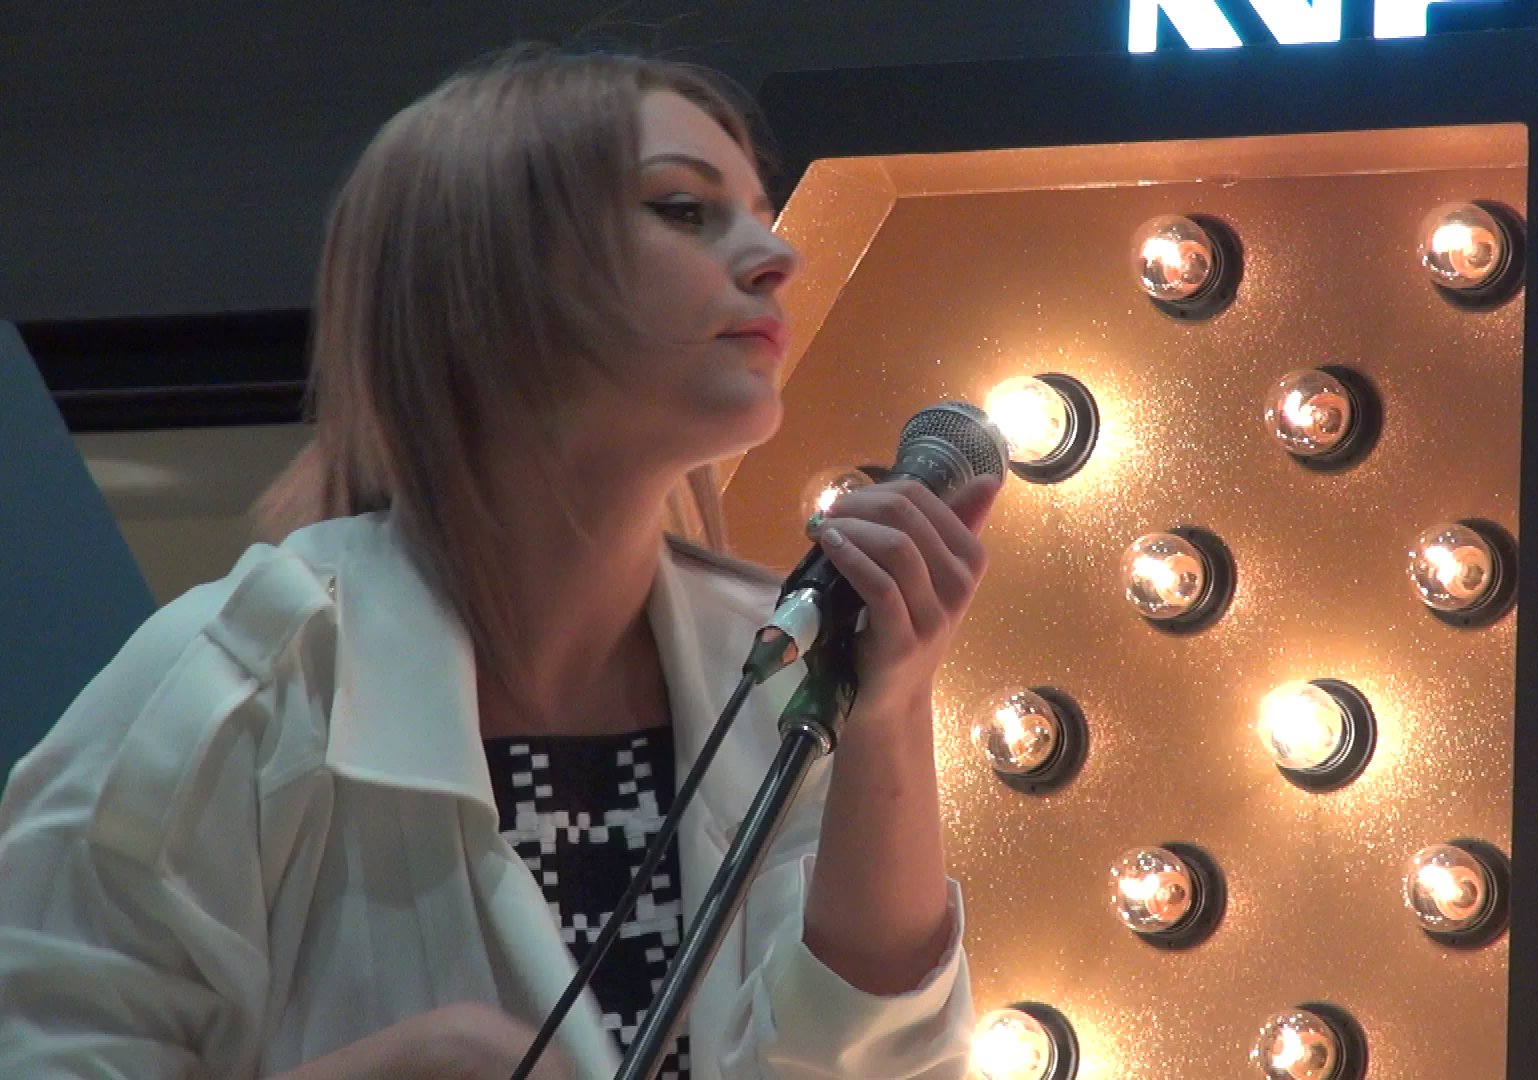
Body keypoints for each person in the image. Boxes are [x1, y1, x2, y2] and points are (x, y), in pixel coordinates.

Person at [0, 43, 998, 1079]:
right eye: (684, 209)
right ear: (490, 281)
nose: (775, 255)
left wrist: (888, 714)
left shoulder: (781, 671)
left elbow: (877, 1066)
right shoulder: (237, 687)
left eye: (759, 209)